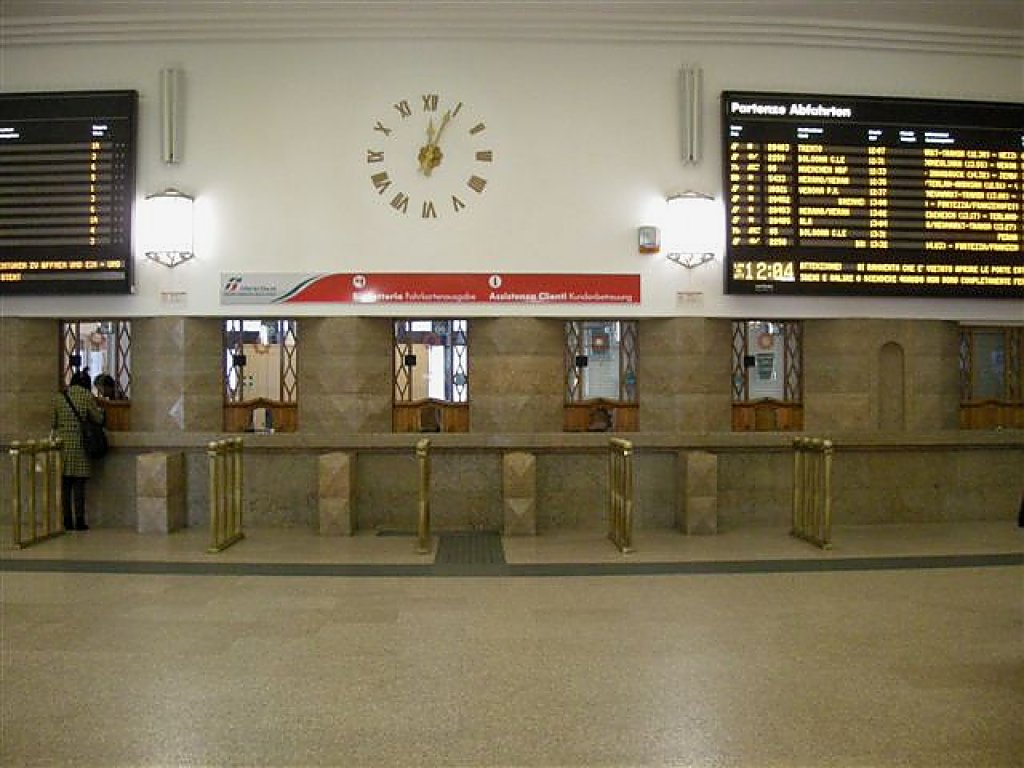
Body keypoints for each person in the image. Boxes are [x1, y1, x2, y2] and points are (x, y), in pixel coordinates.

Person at [52, 370, 105, 531]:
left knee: (65, 485)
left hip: (63, 445)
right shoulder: (86, 396)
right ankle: (80, 521)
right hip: (80, 445)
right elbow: (98, 419)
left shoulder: (59, 397)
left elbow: (53, 423)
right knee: (79, 486)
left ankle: (67, 520)